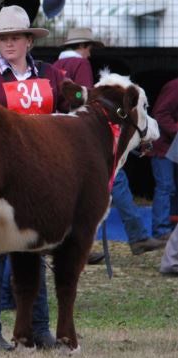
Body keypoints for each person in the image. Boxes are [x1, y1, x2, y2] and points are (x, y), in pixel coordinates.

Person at [0, 5, 62, 351]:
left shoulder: (51, 76)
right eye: (3, 38)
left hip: (39, 181)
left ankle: (40, 329)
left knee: (34, 251)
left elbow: (66, 119)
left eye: (15, 37)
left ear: (29, 40)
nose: (8, 43)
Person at [53, 28, 165, 262]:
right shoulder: (81, 64)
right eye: (89, 48)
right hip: (86, 135)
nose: (90, 53)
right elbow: (88, 100)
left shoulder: (56, 66)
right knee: (116, 179)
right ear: (84, 46)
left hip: (62, 133)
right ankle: (137, 236)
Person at [154, 77, 178, 276]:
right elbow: (160, 114)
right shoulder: (174, 87)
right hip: (163, 147)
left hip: (171, 145)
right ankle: (161, 231)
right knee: (165, 187)